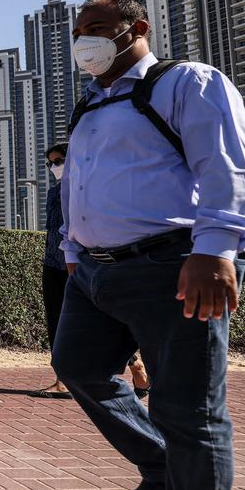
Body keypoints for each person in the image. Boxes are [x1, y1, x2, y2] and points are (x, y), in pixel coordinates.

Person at [52, 0, 245, 490]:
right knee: (79, 367)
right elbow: (80, 186)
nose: (83, 41)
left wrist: (215, 250)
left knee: (187, 404)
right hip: (92, 272)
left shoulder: (186, 82)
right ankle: (161, 466)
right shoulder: (91, 104)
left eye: (95, 30)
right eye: (78, 32)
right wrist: (72, 251)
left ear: (135, 29)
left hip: (173, 263)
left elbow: (227, 167)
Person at [31, 143, 150, 400]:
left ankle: (134, 364)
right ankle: (61, 379)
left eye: (59, 160)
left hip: (84, 263)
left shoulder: (89, 189)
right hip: (53, 263)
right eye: (50, 163)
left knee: (102, 318)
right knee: (57, 322)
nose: (55, 166)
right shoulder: (53, 193)